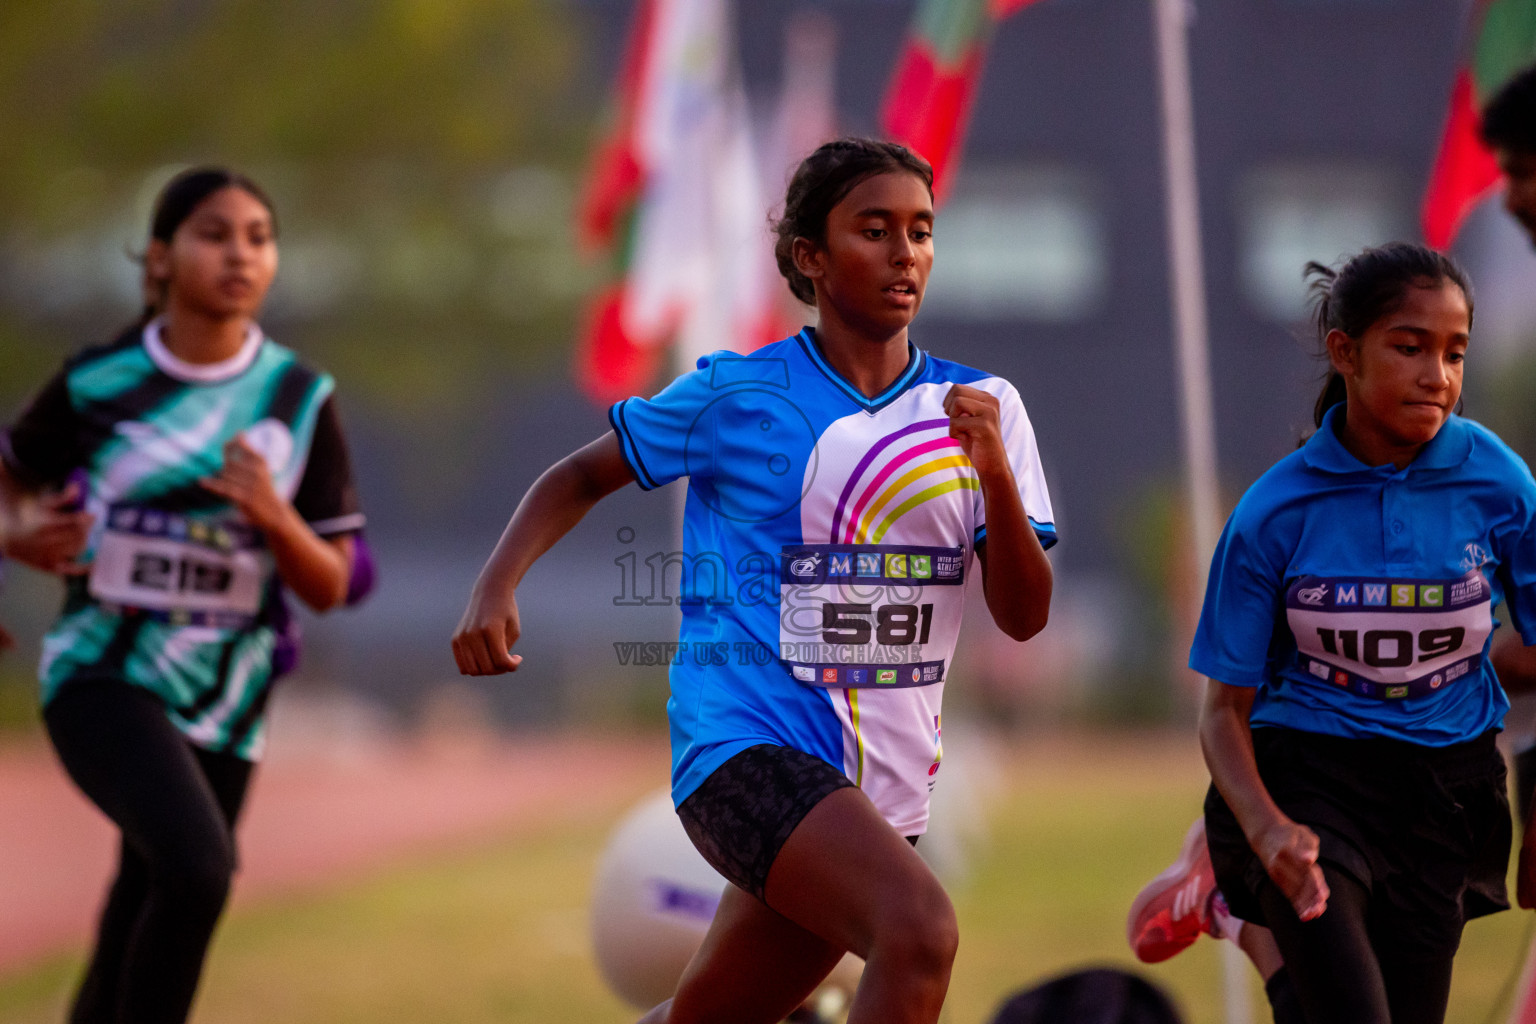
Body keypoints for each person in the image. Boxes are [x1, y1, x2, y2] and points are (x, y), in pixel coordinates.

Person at [453, 137, 1056, 1024]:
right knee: (919, 930)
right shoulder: (738, 394)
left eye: (922, 231)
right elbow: (579, 475)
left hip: (885, 788)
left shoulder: (984, 410)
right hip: (744, 754)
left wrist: (996, 475)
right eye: (875, 229)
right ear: (810, 257)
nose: (905, 253)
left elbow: (1024, 615)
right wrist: (495, 586)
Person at [0, 166, 367, 1024]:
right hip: (103, 674)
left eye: (258, 236)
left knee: (145, 897)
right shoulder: (97, 383)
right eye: (214, 233)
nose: (239, 253)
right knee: (197, 868)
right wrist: (15, 535)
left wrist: (275, 516)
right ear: (160, 258)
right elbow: (10, 480)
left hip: (230, 697)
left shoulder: (299, 399)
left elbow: (333, 584)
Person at [1190, 241, 1533, 1024]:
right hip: (1311, 783)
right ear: (1345, 352)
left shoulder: (1501, 483)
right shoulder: (1274, 512)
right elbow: (1222, 713)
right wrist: (1269, 828)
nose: (1436, 375)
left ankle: (1249, 935)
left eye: (1454, 353)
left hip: (1447, 792)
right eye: (1409, 348)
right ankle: (1251, 896)